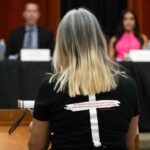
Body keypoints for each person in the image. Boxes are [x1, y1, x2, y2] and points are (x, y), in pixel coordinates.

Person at [28, 8, 140, 150]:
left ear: (62, 44)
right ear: (99, 40)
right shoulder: (128, 85)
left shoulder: (50, 86)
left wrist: (36, 130)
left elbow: (36, 147)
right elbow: (130, 144)